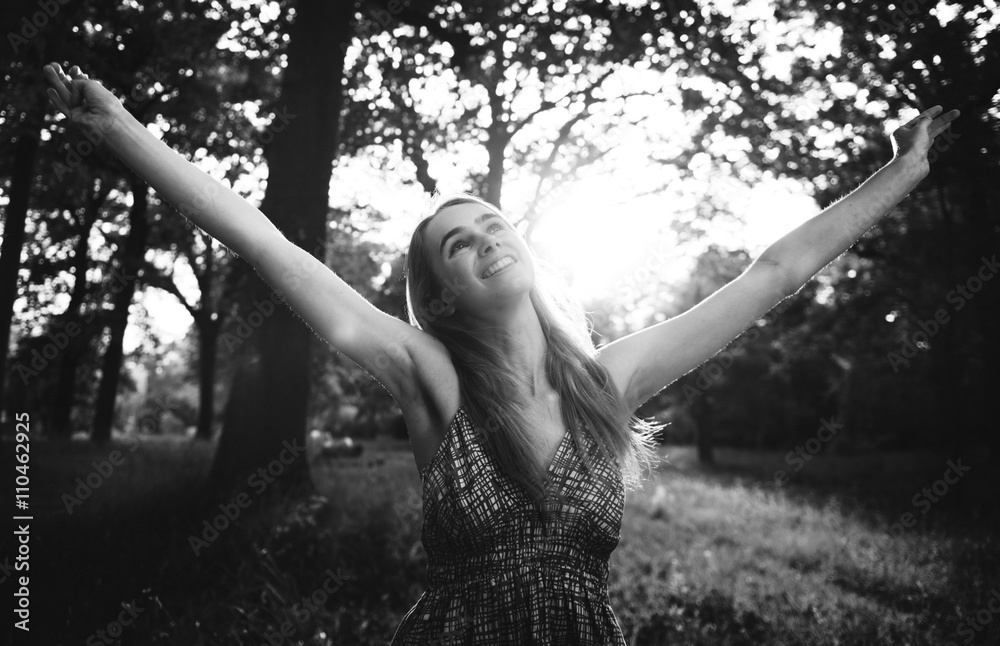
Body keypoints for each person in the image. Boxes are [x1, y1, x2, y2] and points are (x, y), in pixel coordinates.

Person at [43, 61, 959, 644]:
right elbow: (271, 247)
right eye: (459, 244)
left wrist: (903, 171)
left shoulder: (613, 378)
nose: (486, 239)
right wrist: (121, 128)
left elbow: (773, 271)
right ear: (440, 294)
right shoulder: (429, 375)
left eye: (492, 223)